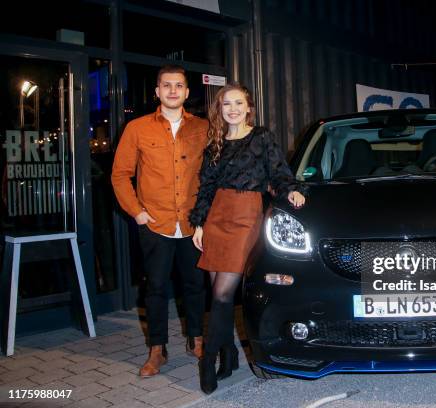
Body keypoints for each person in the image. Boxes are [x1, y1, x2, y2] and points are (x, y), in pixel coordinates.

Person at [189, 82, 305, 394]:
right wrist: (199, 224)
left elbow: (279, 171)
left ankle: (208, 358)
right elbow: (205, 188)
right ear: (220, 109)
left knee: (224, 293)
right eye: (227, 104)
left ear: (249, 107)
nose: (233, 109)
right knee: (217, 295)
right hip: (216, 217)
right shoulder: (215, 143)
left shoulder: (261, 136)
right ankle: (229, 356)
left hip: (245, 216)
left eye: (238, 103)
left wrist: (291, 190)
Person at [111, 65, 208, 378]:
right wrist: (137, 211)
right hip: (155, 223)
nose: (172, 91)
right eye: (166, 85)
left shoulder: (203, 128)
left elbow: (213, 175)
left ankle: (197, 340)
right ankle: (157, 349)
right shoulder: (137, 128)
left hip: (193, 224)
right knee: (155, 288)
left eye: (178, 85)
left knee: (195, 285)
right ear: (157, 91)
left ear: (187, 92)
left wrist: (206, 217)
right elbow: (120, 174)